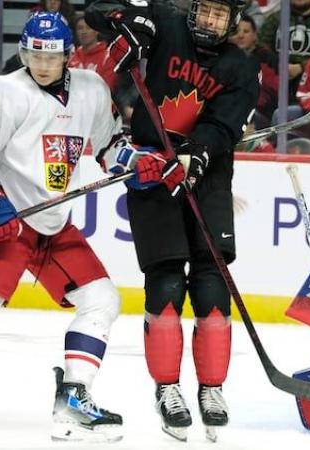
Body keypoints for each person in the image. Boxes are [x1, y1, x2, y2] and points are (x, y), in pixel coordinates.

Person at [86, 0, 260, 440]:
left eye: (220, 16)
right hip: (151, 172)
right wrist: (130, 27)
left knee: (211, 281)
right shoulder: (166, 21)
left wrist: (196, 152)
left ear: (234, 21)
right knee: (165, 282)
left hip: (210, 178)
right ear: (194, 10)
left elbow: (224, 127)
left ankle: (212, 389)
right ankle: (167, 389)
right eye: (205, 11)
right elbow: (95, 11)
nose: (209, 22)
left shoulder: (241, 68)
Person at [0, 11, 126, 442]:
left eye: (51, 57)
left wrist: (135, 161)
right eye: (35, 54)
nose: (43, 64)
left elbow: (111, 144)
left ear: (69, 56)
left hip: (53, 225)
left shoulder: (91, 89)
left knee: (102, 300)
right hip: (11, 220)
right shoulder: (7, 92)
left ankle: (73, 398)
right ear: (23, 52)